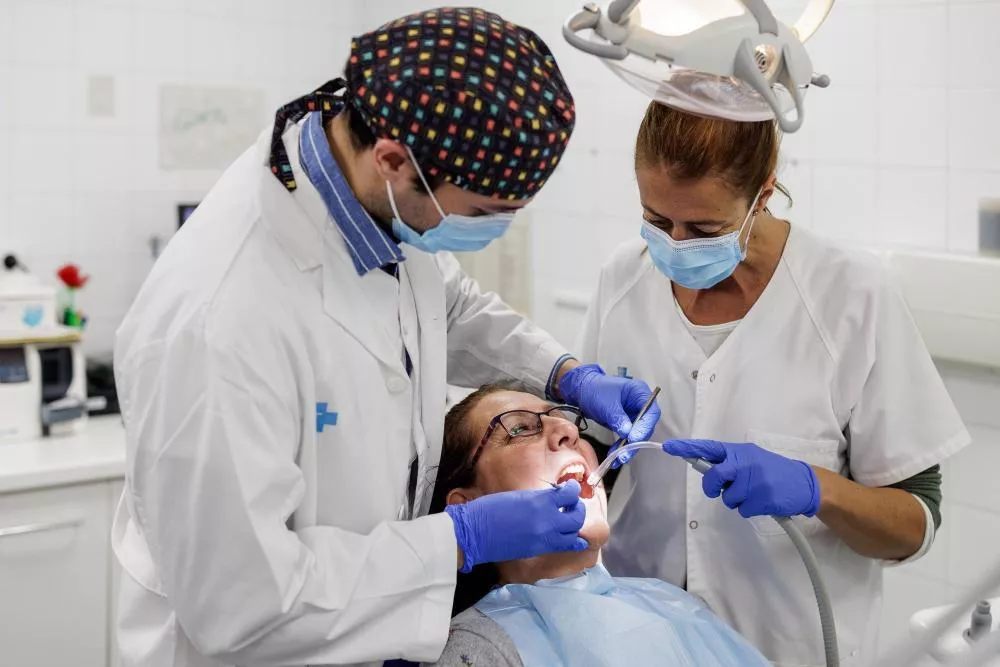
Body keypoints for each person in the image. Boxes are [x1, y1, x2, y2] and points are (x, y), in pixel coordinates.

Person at [110, 8, 661, 667]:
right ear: (395, 160)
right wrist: (457, 540)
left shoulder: (374, 197)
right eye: (484, 213)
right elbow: (244, 603)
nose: (496, 230)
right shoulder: (218, 324)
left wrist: (564, 374)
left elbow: (444, 301)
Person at [578, 101, 971, 666]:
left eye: (705, 228)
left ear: (762, 195)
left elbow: (916, 524)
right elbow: (595, 460)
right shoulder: (622, 278)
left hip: (789, 650)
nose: (676, 245)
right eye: (657, 220)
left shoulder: (850, 296)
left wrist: (817, 488)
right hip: (639, 642)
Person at [424, 384, 772, 667]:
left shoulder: (673, 604)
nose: (568, 430)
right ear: (466, 508)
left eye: (565, 418)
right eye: (520, 428)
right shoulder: (479, 649)